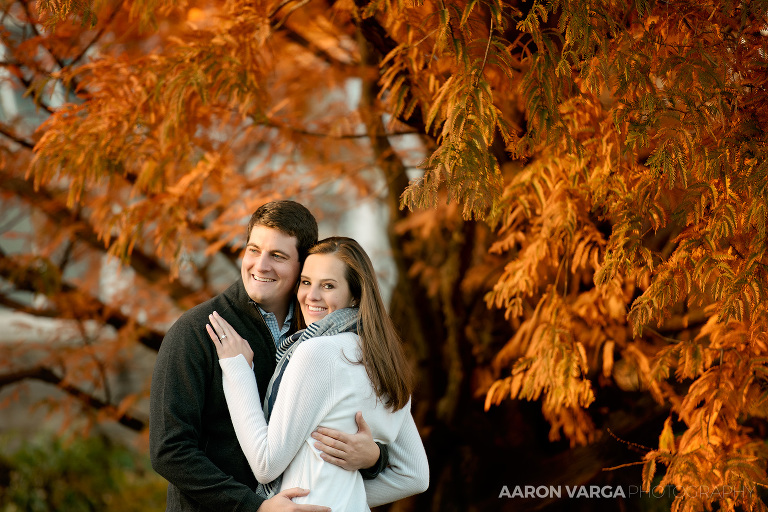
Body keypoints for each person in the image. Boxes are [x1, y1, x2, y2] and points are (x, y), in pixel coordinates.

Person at [150, 201, 387, 512]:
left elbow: (349, 422)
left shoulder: (321, 334)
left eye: (277, 256)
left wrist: (374, 458)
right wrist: (254, 507)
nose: (260, 265)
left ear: (303, 265)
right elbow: (169, 450)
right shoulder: (197, 331)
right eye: (253, 250)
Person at [207, 237, 429, 510]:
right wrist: (345, 496)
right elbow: (414, 476)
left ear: (355, 295)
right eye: (306, 282)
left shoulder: (318, 353)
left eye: (328, 286)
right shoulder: (384, 361)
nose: (311, 296)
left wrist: (237, 369)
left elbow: (266, 465)